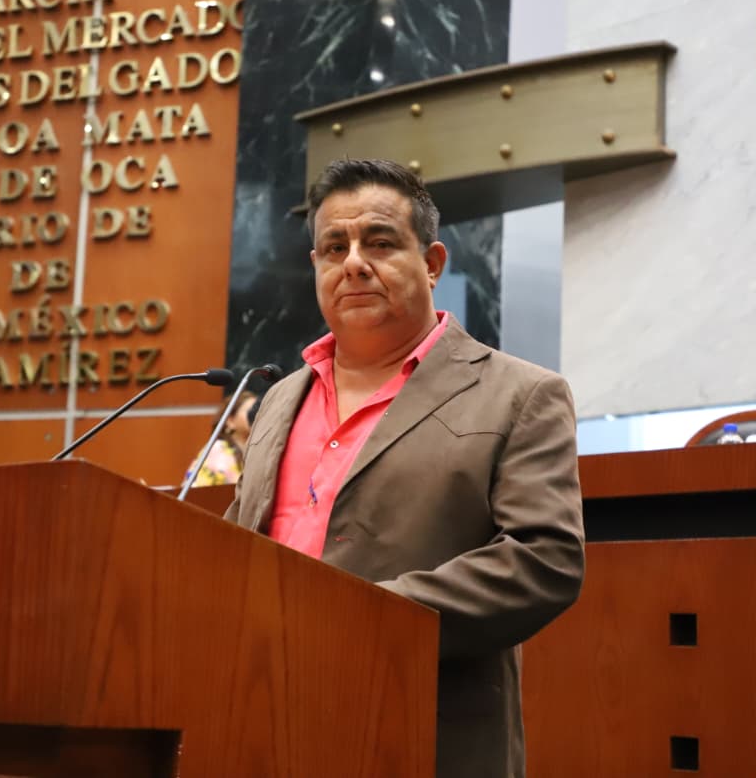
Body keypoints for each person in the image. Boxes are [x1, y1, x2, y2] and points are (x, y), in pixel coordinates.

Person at [224, 158, 585, 778]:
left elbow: (545, 559)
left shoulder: (520, 394)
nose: (353, 263)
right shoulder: (279, 399)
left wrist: (365, 617)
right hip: (263, 723)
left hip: (422, 730)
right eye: (334, 248)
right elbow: (237, 549)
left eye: (380, 242)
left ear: (433, 262)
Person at [185, 391, 257, 486]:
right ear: (230, 421)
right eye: (251, 411)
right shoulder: (217, 450)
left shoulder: (259, 449)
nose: (256, 415)